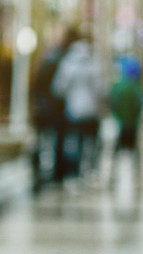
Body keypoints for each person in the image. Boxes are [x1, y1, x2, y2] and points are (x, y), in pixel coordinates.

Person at [30, 26, 77, 187]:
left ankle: (43, 170)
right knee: (54, 139)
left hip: (47, 104)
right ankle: (53, 171)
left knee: (45, 140)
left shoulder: (53, 56)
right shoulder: (63, 58)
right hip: (54, 106)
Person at [52, 36, 102, 180]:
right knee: (90, 142)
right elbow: (100, 89)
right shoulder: (94, 65)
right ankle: (89, 170)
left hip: (73, 111)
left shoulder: (67, 64)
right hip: (90, 112)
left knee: (74, 142)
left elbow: (58, 88)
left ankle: (74, 171)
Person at [109, 56, 143, 186]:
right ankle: (138, 177)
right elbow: (139, 105)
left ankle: (112, 176)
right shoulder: (136, 87)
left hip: (121, 123)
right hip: (132, 124)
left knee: (116, 150)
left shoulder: (118, 86)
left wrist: (118, 117)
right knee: (134, 152)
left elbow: (113, 103)